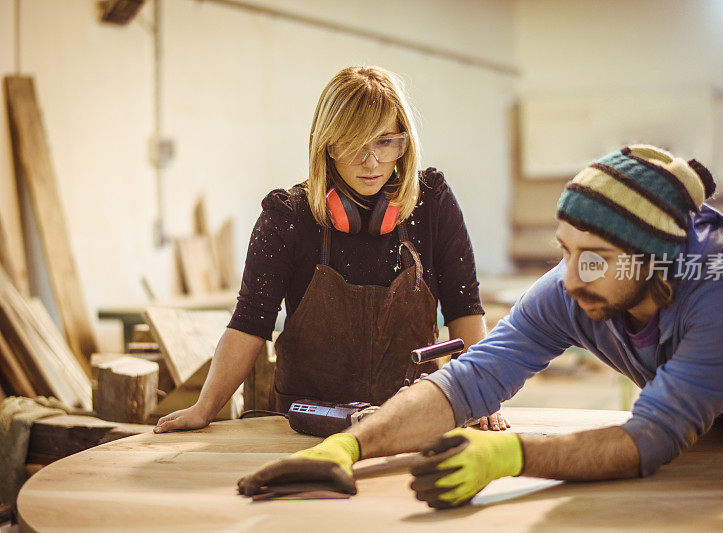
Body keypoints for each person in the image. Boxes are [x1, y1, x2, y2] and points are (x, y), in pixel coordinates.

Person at [237, 144, 723, 508]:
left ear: (656, 259)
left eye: (595, 257)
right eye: (567, 251)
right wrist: (347, 447)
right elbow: (468, 380)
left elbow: (653, 436)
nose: (573, 279)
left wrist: (512, 457)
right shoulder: (574, 286)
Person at [153, 65, 508, 434]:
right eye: (354, 144)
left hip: (412, 418)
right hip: (308, 425)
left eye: (386, 142)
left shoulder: (431, 203)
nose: (371, 162)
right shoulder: (287, 217)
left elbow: (464, 307)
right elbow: (248, 324)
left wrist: (479, 392)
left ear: (406, 142)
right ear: (326, 144)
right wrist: (205, 408)